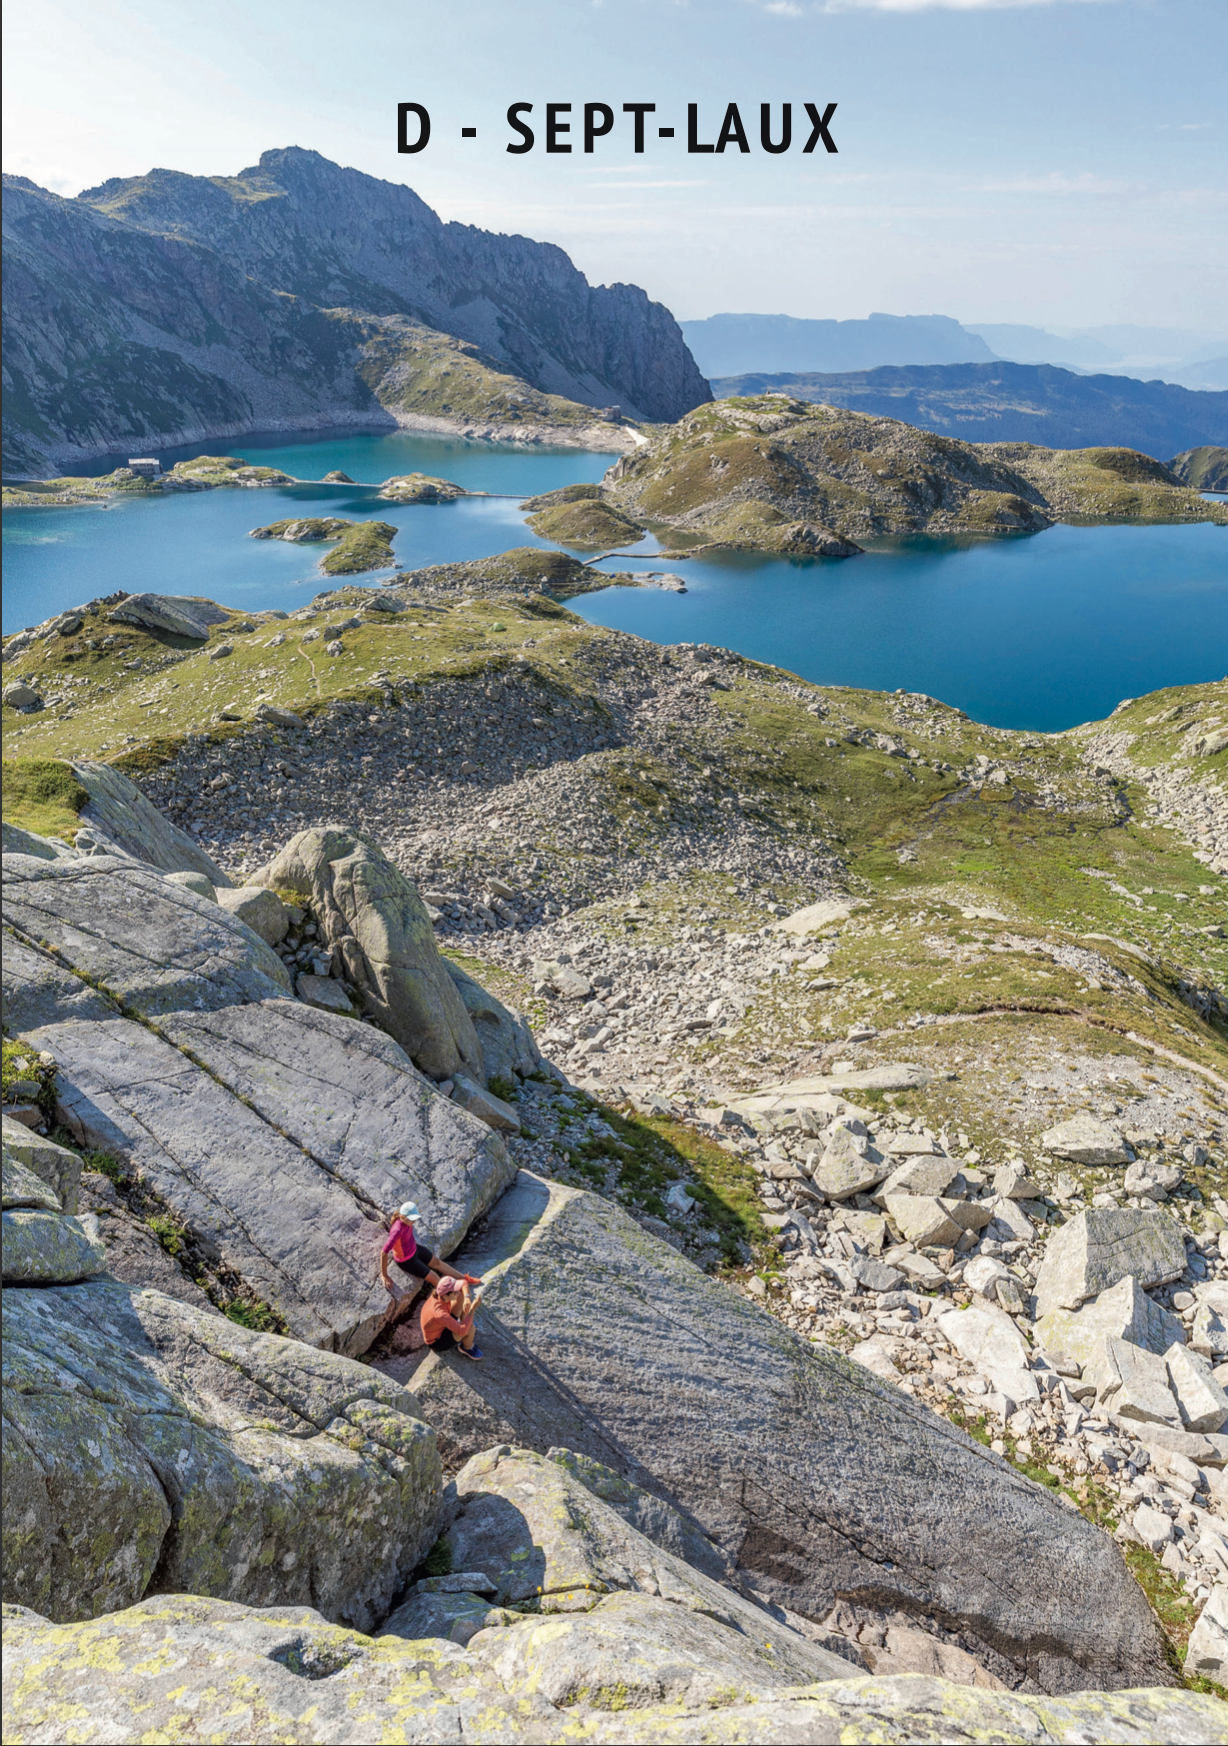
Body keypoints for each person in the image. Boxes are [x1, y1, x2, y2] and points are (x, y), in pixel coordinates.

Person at [379, 1201, 480, 1299]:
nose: (414, 1221)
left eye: (414, 1218)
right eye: (411, 1219)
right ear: (402, 1217)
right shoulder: (397, 1230)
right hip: (406, 1260)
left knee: (437, 1263)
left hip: (414, 1248)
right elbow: (384, 1252)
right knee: (435, 1278)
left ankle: (463, 1278)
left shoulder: (407, 1222)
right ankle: (452, 1296)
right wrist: (384, 1275)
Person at [420, 1275, 482, 1360]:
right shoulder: (439, 1313)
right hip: (437, 1341)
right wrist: (473, 1309)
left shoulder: (440, 1294)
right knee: (470, 1328)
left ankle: (463, 1321)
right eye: (455, 1292)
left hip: (442, 1324)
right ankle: (467, 1347)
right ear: (446, 1296)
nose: (457, 1292)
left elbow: (464, 1282)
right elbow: (462, 1331)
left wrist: (467, 1298)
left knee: (462, 1295)